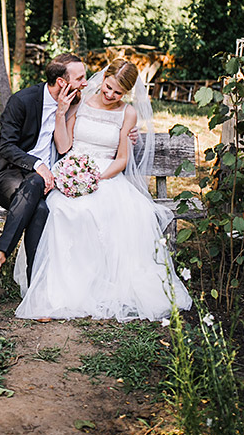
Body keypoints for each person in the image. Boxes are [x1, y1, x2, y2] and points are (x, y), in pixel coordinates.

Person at [13, 58, 192, 320]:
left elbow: (121, 160)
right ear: (104, 78)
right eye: (107, 87)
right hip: (74, 169)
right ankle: (60, 287)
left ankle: (98, 285)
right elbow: (64, 147)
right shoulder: (82, 100)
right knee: (59, 209)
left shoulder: (127, 113)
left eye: (117, 92)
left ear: (127, 93)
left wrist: (94, 178)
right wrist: (62, 115)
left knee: (104, 212)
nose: (109, 95)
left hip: (105, 177)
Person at [0, 54, 88, 285]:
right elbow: (6, 147)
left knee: (41, 210)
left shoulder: (74, 103)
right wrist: (38, 165)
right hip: (11, 176)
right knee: (36, 183)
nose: (85, 82)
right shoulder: (23, 101)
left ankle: (3, 263)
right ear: (62, 82)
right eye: (80, 78)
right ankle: (23, 275)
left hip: (45, 183)